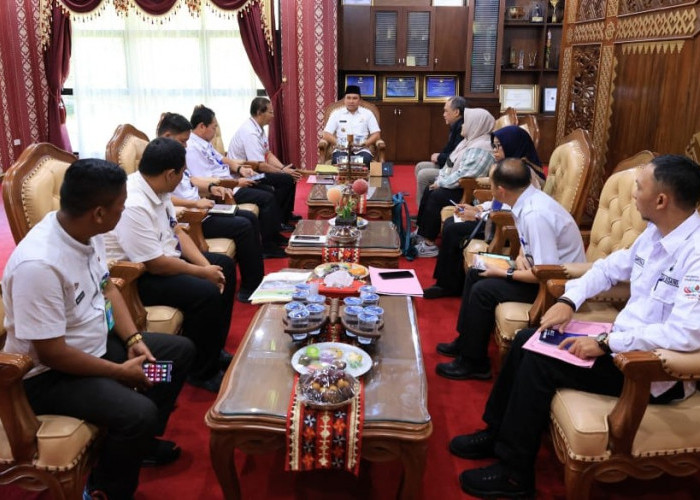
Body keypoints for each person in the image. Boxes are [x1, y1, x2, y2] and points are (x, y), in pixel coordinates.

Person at [454, 155, 700, 498]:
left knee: (539, 361)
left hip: (651, 370)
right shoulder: (655, 234)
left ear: (661, 200)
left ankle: (514, 474)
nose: (633, 194)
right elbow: (607, 269)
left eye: (639, 187)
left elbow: (685, 334)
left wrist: (606, 342)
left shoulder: (694, 253)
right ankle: (495, 434)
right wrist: (569, 301)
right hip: (619, 343)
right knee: (528, 339)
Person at [1, 159, 195, 499]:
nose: (124, 211)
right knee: (139, 414)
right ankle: (105, 489)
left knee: (177, 355)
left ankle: (138, 445)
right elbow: (52, 353)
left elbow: (108, 288)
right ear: (99, 213)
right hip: (51, 376)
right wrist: (120, 372)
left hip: (96, 346)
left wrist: (133, 338)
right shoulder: (39, 265)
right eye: (121, 206)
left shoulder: (86, 232)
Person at [106, 137, 236, 393]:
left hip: (164, 259)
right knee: (205, 292)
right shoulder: (134, 203)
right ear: (169, 174)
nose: (183, 178)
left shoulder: (159, 189)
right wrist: (202, 273)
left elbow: (176, 232)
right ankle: (202, 371)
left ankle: (213, 349)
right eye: (182, 173)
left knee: (224, 267)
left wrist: (207, 267)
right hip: (137, 276)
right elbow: (155, 264)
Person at [436, 158, 585, 380]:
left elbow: (547, 273)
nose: (491, 189)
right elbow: (528, 244)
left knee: (483, 291)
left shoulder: (535, 214)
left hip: (555, 286)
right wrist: (521, 255)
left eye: (491, 185)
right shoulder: (527, 200)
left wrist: (503, 272)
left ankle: (475, 363)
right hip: (539, 271)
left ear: (501, 190)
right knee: (476, 272)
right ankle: (465, 342)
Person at [423, 125, 542, 298]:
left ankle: (447, 285)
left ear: (512, 145)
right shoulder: (509, 166)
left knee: (453, 228)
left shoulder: (522, 173)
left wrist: (478, 215)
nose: (495, 150)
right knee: (451, 222)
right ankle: (450, 282)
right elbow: (498, 200)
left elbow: (510, 210)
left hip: (505, 226)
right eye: (494, 145)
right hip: (494, 219)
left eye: (499, 146)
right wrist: (478, 208)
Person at [157, 112, 265, 301]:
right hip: (193, 217)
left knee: (248, 218)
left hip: (203, 207)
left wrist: (212, 187)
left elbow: (191, 180)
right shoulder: (157, 161)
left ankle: (256, 281)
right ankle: (250, 287)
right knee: (244, 226)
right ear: (167, 136)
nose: (186, 146)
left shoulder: (173, 156)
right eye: (183, 141)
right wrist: (194, 203)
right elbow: (166, 199)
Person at [185, 104, 288, 255]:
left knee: (268, 190)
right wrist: (236, 182)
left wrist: (240, 169)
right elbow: (206, 180)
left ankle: (273, 237)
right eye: (214, 127)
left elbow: (223, 159)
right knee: (267, 198)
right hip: (226, 189)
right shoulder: (192, 149)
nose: (215, 131)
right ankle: (268, 246)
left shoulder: (203, 143)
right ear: (202, 126)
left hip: (232, 182)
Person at [414, 108, 496, 258]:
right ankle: (421, 233)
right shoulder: (468, 142)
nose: (463, 125)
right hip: (458, 185)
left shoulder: (482, 148)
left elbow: (465, 175)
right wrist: (440, 179)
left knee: (437, 195)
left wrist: (441, 183)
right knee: (430, 190)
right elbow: (449, 164)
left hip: (469, 191)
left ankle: (429, 244)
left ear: (476, 124)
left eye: (466, 122)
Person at [228, 96, 302, 224]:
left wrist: (283, 168)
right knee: (286, 179)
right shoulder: (250, 133)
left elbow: (268, 154)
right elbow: (259, 166)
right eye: (270, 112)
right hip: (248, 174)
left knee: (291, 171)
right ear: (259, 112)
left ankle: (286, 214)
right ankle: (280, 220)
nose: (273, 116)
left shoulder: (259, 128)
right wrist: (283, 172)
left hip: (255, 170)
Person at [414, 96, 466, 205]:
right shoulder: (455, 126)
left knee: (423, 175)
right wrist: (440, 156)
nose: (443, 114)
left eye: (446, 111)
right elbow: (450, 149)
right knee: (420, 166)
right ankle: (423, 204)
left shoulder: (462, 128)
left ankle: (423, 209)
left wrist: (439, 157)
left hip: (453, 169)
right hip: (448, 165)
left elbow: (456, 157)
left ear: (456, 112)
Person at [322, 84, 381, 166]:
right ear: (344, 100)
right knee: (339, 160)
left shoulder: (368, 113)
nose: (351, 101)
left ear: (359, 100)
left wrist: (365, 144)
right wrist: (339, 143)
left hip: (362, 149)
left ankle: (357, 172)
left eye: (354, 98)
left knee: (365, 160)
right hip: (341, 149)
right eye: (348, 98)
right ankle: (345, 172)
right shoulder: (336, 114)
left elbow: (376, 134)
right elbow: (326, 134)